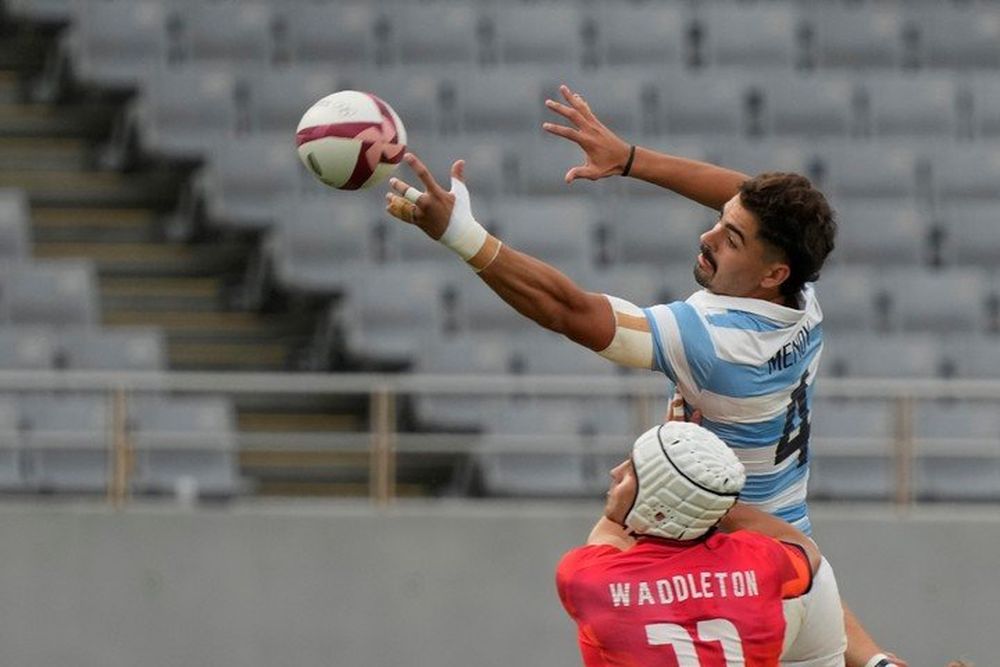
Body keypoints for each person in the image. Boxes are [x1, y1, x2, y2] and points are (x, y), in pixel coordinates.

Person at [382, 84, 900, 666]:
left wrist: (462, 235)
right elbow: (743, 196)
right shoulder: (802, 297)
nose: (707, 237)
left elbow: (569, 311)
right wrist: (627, 159)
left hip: (723, 568)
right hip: (795, 555)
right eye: (719, 222)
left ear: (771, 271)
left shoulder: (714, 341)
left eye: (729, 240)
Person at [556, 419, 845, 666]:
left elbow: (610, 533)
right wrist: (709, 496)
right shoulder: (762, 561)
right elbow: (804, 549)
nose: (616, 473)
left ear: (657, 502)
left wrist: (682, 466)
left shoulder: (586, 577)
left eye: (632, 470)